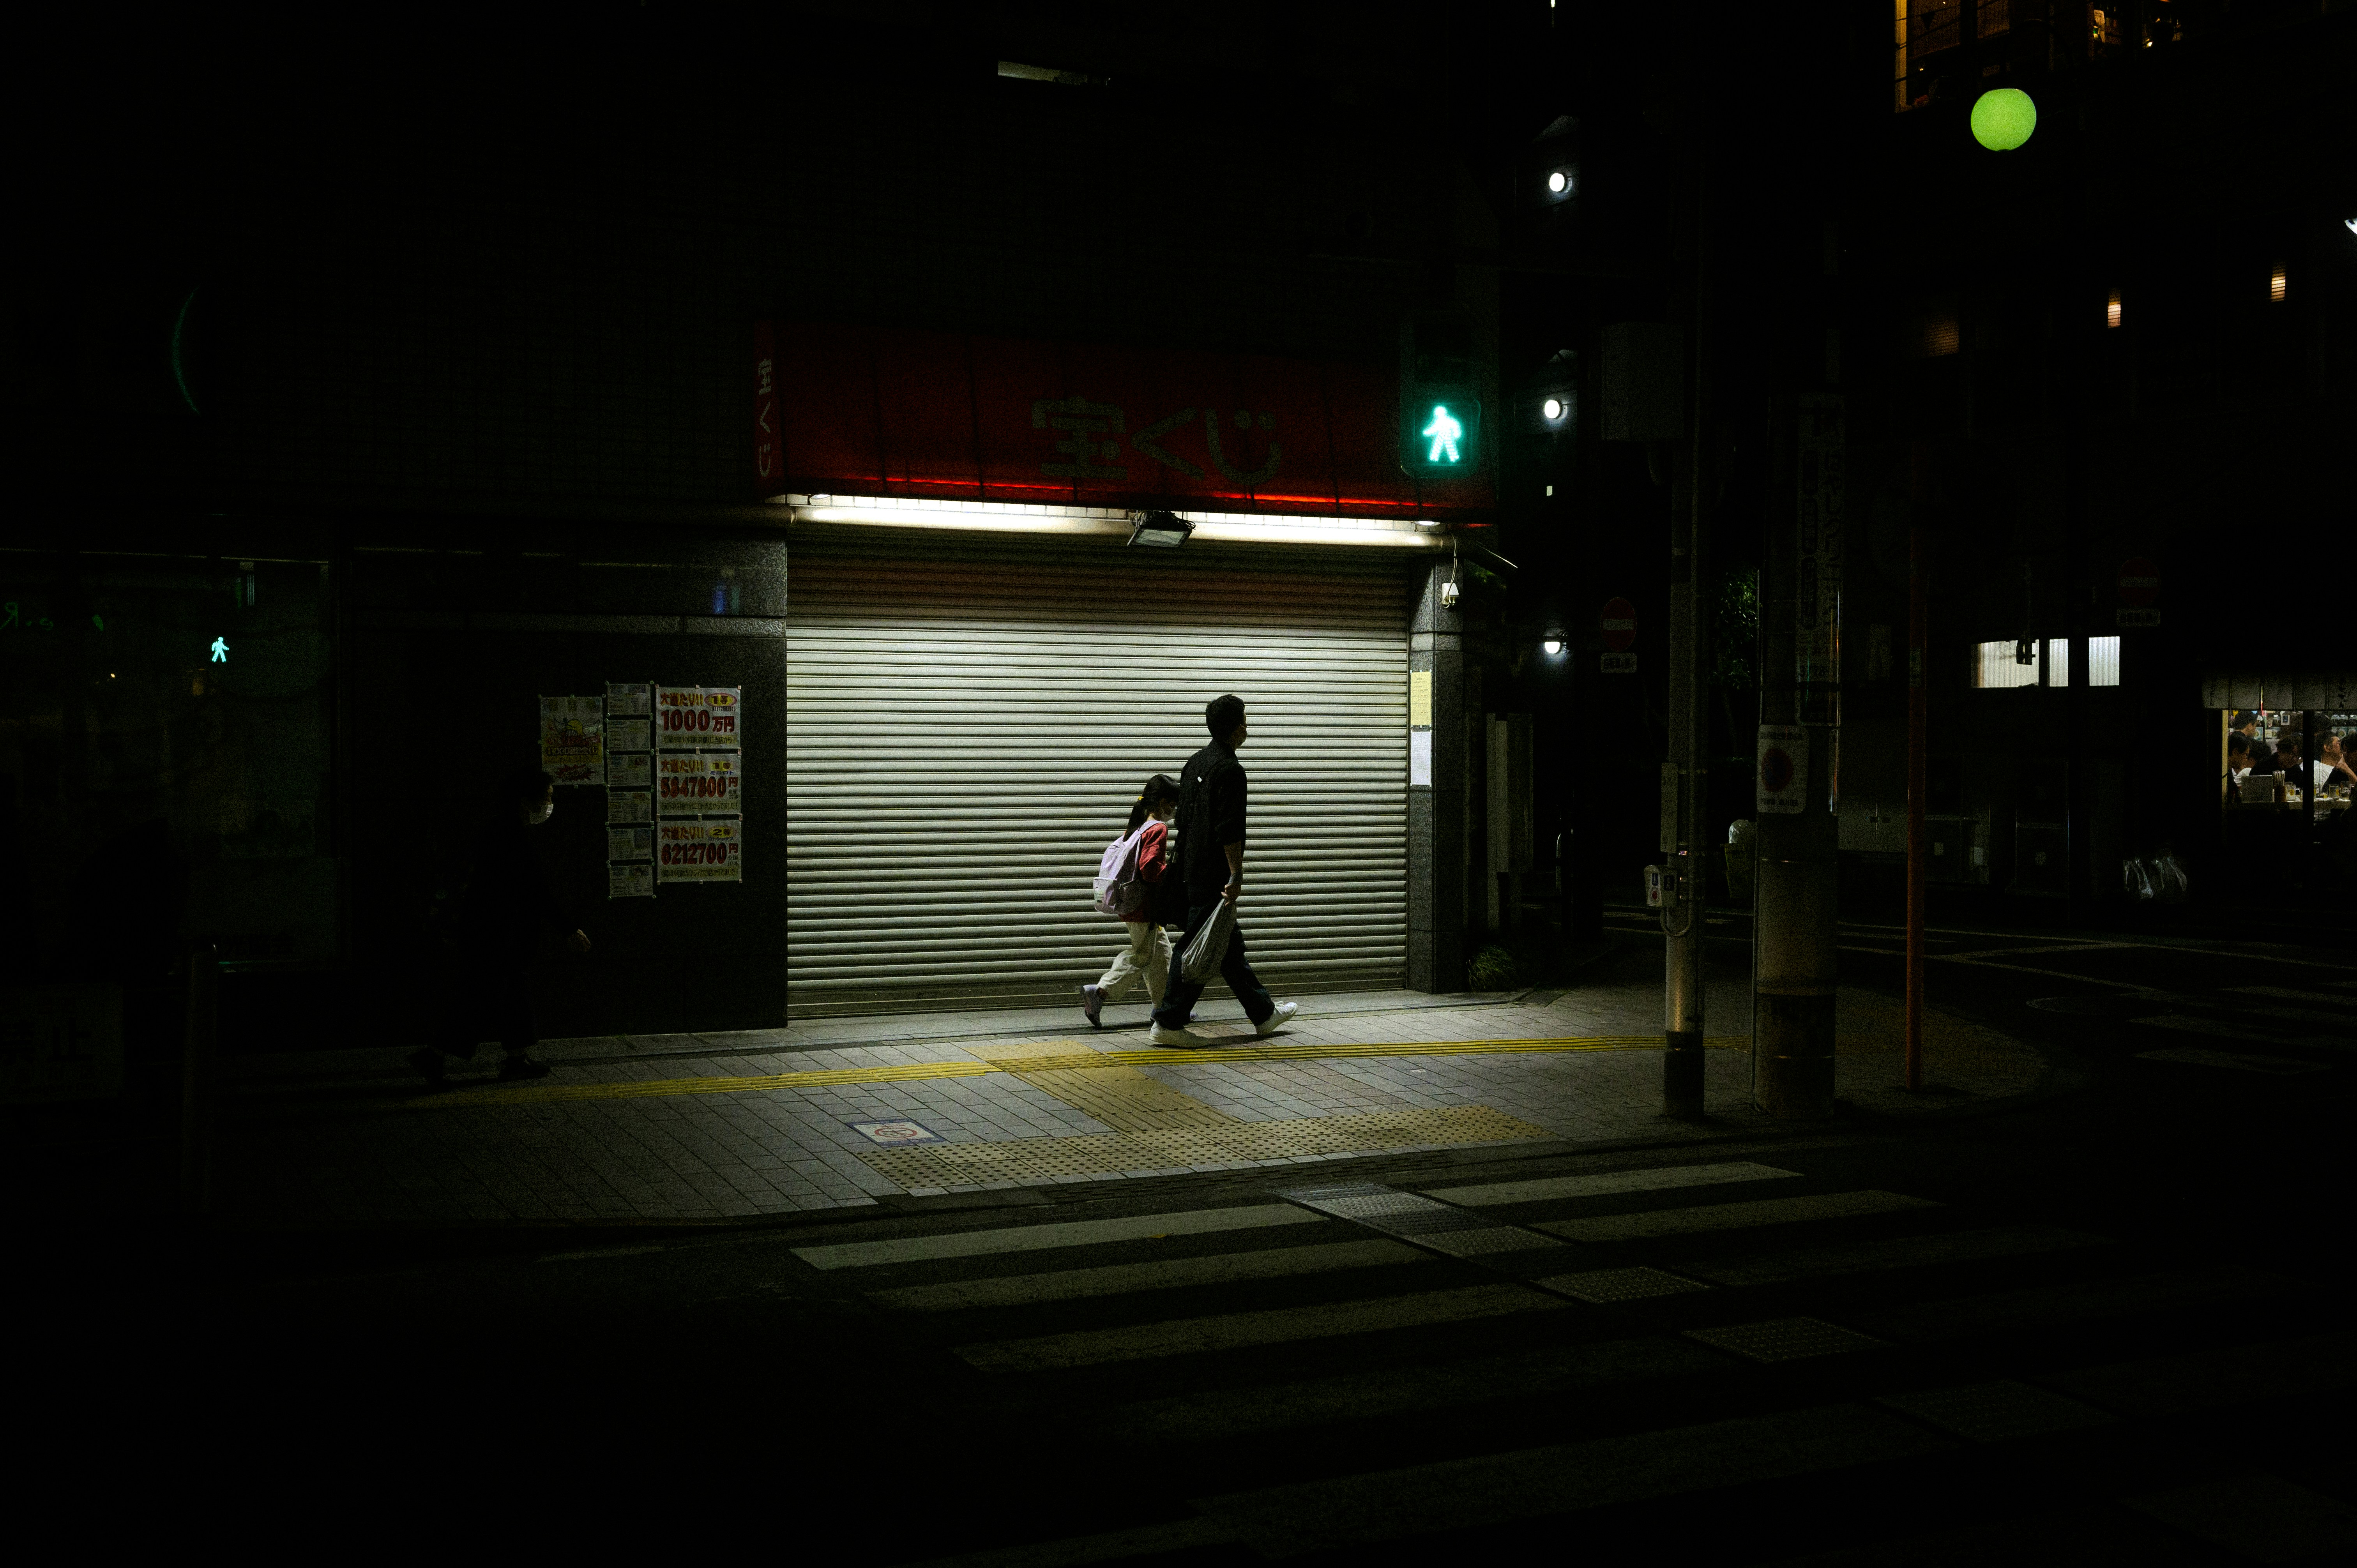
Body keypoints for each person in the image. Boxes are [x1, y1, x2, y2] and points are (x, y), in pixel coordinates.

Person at [409, 767, 590, 1086]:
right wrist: (568, 929)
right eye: (547, 797)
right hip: (495, 934)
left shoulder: (500, 829)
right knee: (480, 997)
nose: (550, 804)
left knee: (511, 994)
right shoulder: (510, 835)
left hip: (496, 932)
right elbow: (534, 889)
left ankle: (516, 1059)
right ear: (526, 800)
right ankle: (434, 1054)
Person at [1148, 694, 1298, 1046]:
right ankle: (1168, 1022)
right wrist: (1236, 875)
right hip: (1213, 875)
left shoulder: (1195, 762)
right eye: (1245, 719)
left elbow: (1183, 820)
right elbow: (1230, 830)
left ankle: (1263, 1014)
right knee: (1196, 946)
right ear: (1235, 727)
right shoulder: (1231, 770)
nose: (1248, 725)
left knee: (1227, 945)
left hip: (1189, 868)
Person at [1080, 774, 1180, 1027]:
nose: (1175, 810)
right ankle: (1100, 992)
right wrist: (1173, 872)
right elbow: (1149, 868)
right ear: (1164, 803)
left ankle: (1165, 1010)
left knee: (1161, 956)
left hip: (1130, 903)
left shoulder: (1137, 826)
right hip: (1143, 906)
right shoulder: (1158, 828)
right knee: (1143, 956)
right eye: (1174, 804)